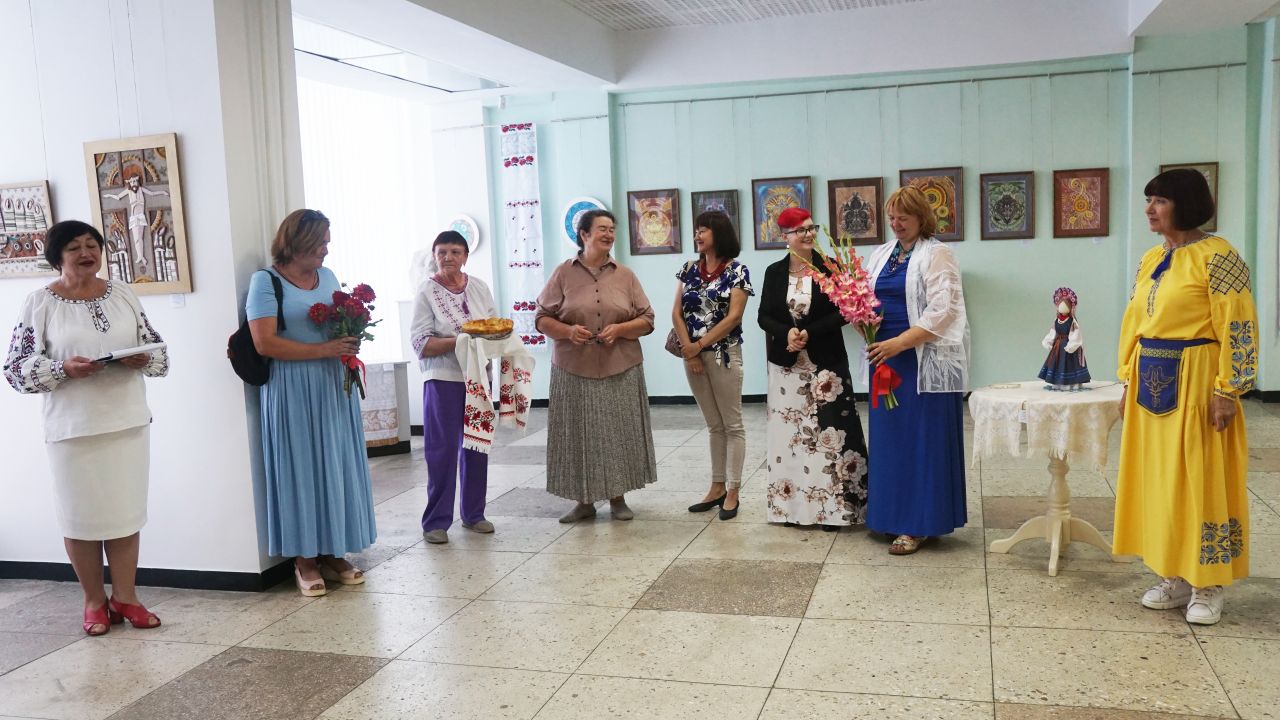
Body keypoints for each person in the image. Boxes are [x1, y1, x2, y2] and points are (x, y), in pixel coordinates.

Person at [4, 219, 168, 635]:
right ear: (57, 256)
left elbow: (158, 348)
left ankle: (126, 597)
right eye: (74, 246)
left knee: (125, 516)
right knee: (81, 520)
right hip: (72, 430)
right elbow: (16, 369)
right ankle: (95, 601)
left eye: (92, 244)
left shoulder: (124, 293)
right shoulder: (40, 302)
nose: (85, 253)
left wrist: (142, 358)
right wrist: (63, 369)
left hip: (127, 423)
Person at [1114, 168, 1257, 625]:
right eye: (1149, 200)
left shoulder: (1219, 257)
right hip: (1151, 378)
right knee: (1160, 478)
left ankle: (1208, 583)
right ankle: (1173, 573)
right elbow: (1134, 320)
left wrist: (1228, 389)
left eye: (1159, 201)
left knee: (1199, 475)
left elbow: (1238, 322)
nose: (1149, 209)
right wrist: (1126, 379)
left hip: (1197, 378)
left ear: (1186, 204)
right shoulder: (1151, 258)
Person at [246, 209, 377, 596]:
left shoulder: (329, 277)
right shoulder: (266, 282)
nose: (326, 249)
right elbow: (264, 343)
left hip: (332, 385)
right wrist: (324, 349)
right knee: (300, 469)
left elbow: (336, 326)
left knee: (335, 464)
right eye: (320, 242)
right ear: (297, 241)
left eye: (327, 242)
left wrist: (349, 339)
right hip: (291, 389)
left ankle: (334, 550)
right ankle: (304, 559)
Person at [864, 186, 969, 555]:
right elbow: (865, 300)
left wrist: (900, 343)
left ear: (922, 218)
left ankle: (918, 523)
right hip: (884, 356)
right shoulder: (881, 254)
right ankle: (889, 516)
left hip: (921, 359)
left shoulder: (938, 254)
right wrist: (863, 322)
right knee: (891, 440)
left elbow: (944, 311)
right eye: (891, 218)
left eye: (903, 218)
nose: (896, 224)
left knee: (922, 441)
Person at [536, 209, 658, 522]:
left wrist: (621, 329)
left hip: (621, 366)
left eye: (612, 229)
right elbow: (541, 318)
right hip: (573, 368)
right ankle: (584, 502)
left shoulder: (625, 275)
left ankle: (618, 498)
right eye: (602, 228)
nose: (609, 234)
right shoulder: (563, 273)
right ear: (584, 234)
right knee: (579, 434)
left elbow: (647, 319)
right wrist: (567, 331)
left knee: (618, 432)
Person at [757, 208, 867, 529]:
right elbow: (764, 316)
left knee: (831, 436)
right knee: (791, 438)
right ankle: (791, 510)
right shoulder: (774, 272)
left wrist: (808, 333)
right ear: (785, 237)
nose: (807, 234)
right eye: (799, 230)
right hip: (786, 368)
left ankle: (837, 511)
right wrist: (787, 333)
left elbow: (845, 311)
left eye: (810, 227)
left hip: (826, 366)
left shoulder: (831, 267)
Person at [410, 230, 498, 544]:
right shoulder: (426, 291)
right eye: (442, 252)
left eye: (455, 252)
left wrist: (491, 338)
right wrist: (461, 341)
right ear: (434, 256)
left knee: (477, 446)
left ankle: (474, 514)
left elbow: (493, 327)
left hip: (479, 379)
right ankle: (436, 521)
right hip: (443, 379)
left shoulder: (479, 287)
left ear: (465, 256)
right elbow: (421, 343)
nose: (448, 257)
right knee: (442, 450)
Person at [673, 212, 754, 521]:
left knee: (732, 425)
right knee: (713, 425)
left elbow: (734, 317)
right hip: (692, 356)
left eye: (703, 230)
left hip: (724, 354)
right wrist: (690, 351)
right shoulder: (688, 269)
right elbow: (676, 313)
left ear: (718, 233)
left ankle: (733, 490)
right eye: (696, 230)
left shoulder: (737, 271)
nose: (697, 235)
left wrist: (701, 345)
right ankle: (716, 486)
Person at [1038, 286, 1090, 390]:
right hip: (1057, 347)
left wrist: (1071, 346)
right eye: (1060, 305)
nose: (1062, 308)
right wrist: (1048, 341)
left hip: (1068, 347)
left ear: (1070, 307)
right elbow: (1053, 332)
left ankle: (1072, 384)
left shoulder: (1072, 322)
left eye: (1065, 306)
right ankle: (1058, 383)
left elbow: (1076, 334)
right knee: (1058, 364)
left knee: (1069, 365)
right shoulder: (1057, 320)